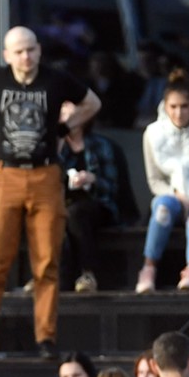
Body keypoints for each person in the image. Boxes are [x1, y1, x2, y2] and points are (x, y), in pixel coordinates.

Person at [0, 26, 101, 362]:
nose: (26, 57)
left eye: (31, 50)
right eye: (19, 51)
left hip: (45, 174)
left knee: (46, 264)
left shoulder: (55, 79)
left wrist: (66, 127)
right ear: (6, 54)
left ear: (39, 50)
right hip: (5, 173)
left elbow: (92, 102)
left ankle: (46, 338)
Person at [136, 69, 189, 293]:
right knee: (162, 210)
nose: (179, 112)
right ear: (165, 106)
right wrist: (176, 195)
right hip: (170, 197)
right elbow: (154, 180)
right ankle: (148, 269)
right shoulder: (153, 133)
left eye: (184, 106)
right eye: (173, 107)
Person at [59, 118, 131, 292]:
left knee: (76, 213)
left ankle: (88, 274)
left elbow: (113, 189)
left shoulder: (101, 145)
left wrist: (93, 180)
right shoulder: (56, 147)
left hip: (98, 205)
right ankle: (48, 276)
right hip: (62, 205)